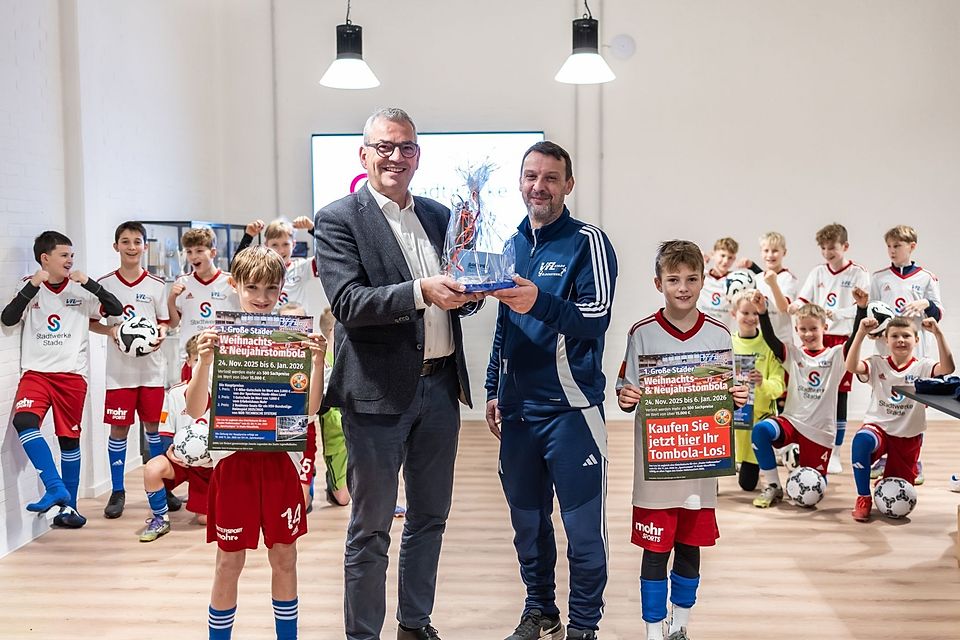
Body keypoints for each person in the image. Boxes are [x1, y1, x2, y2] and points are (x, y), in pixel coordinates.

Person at [314, 107, 480, 640]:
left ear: (417, 156)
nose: (395, 156)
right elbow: (348, 302)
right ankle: (364, 634)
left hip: (441, 388)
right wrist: (420, 291)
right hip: (375, 395)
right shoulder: (339, 219)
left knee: (430, 518)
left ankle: (415, 623)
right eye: (384, 146)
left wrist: (475, 290)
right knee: (371, 528)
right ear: (364, 154)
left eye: (406, 147)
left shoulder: (437, 214)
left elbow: (457, 290)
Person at [484, 141, 618, 640]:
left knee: (584, 534)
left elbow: (595, 317)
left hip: (572, 411)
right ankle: (541, 611)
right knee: (528, 528)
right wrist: (494, 387)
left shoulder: (588, 242)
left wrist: (539, 300)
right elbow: (505, 323)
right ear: (520, 182)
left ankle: (584, 627)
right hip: (519, 414)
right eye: (531, 177)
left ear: (568, 185)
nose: (538, 187)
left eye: (550, 178)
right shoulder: (511, 244)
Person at [186, 245, 326, 640]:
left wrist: (317, 362)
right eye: (252, 288)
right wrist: (204, 363)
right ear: (235, 285)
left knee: (285, 557)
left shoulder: (293, 337)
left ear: (282, 288)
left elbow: (311, 409)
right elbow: (194, 408)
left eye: (270, 288)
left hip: (280, 463)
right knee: (228, 562)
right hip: (234, 464)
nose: (262, 297)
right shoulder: (218, 338)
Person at [616, 240, 748, 640]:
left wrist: (737, 396)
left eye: (691, 279)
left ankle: (681, 625)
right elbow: (626, 389)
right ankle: (653, 630)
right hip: (656, 471)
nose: (683, 287)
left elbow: (725, 399)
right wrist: (625, 397)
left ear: (703, 280)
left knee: (690, 547)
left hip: (699, 469)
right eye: (674, 279)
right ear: (659, 283)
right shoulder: (642, 333)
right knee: (655, 551)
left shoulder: (719, 334)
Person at [1, 231, 123, 528]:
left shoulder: (81, 289)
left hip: (72, 376)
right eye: (64, 255)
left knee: (69, 440)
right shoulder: (28, 285)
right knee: (23, 421)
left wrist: (90, 283)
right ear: (45, 258)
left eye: (72, 255)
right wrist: (33, 285)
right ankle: (55, 486)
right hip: (36, 374)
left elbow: (116, 310)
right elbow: (8, 318)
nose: (70, 260)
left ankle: (70, 508)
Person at [89, 221, 170, 519]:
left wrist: (161, 334)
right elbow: (91, 321)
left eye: (137, 241)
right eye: (125, 241)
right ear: (116, 246)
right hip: (119, 373)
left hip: (151, 371)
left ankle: (163, 488)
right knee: (119, 429)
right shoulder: (105, 285)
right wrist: (110, 331)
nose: (132, 247)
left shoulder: (157, 285)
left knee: (154, 428)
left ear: (145, 246)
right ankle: (117, 490)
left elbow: (164, 321)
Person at [751, 290, 859, 508]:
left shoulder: (836, 355)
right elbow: (771, 340)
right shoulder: (794, 354)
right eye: (802, 329)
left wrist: (862, 310)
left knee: (811, 496)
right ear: (796, 330)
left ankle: (803, 470)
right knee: (761, 430)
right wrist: (762, 312)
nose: (808, 334)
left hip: (819, 432)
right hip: (792, 421)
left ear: (825, 327)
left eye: (813, 329)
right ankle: (773, 485)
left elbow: (855, 337)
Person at [845, 311, 954, 521]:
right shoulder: (877, 363)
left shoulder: (923, 366)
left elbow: (948, 368)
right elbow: (851, 366)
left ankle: (886, 482)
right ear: (886, 340)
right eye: (894, 336)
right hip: (879, 428)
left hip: (908, 435)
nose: (900, 340)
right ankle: (863, 497)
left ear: (916, 340)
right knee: (861, 441)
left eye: (906, 335)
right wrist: (860, 334)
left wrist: (938, 334)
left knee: (899, 491)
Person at [868, 224, 945, 482]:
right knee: (885, 402)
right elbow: (872, 313)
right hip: (886, 353)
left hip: (916, 353)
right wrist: (874, 332)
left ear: (912, 247)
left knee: (914, 406)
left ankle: (915, 459)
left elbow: (939, 313)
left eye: (897, 246)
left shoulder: (926, 278)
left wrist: (927, 303)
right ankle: (883, 456)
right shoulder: (879, 278)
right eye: (889, 246)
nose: (892, 250)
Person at [792, 223, 870, 473]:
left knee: (840, 395)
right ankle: (807, 441)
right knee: (812, 392)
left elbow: (863, 306)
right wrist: (795, 306)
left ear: (845, 246)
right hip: (818, 337)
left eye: (832, 248)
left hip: (843, 340)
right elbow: (803, 299)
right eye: (823, 248)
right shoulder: (818, 272)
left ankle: (835, 451)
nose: (827, 253)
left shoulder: (858, 273)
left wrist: (836, 313)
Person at [138, 335, 213, 541]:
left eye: (208, 359)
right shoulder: (175, 394)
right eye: (197, 359)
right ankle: (160, 519)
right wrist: (170, 452)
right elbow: (165, 433)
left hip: (212, 465)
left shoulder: (224, 393)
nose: (202, 364)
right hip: (182, 461)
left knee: (204, 519)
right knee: (153, 468)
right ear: (188, 361)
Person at [729, 291, 786, 491]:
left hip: (756, 420)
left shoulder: (768, 346)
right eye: (745, 313)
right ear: (733, 313)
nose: (751, 318)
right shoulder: (726, 344)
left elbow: (779, 387)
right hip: (730, 420)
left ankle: (747, 463)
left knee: (747, 485)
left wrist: (762, 382)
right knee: (716, 459)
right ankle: (713, 477)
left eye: (755, 313)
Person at [167, 227, 238, 382]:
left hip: (223, 358)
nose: (193, 256)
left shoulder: (230, 281)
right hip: (191, 358)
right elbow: (173, 323)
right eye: (189, 251)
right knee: (191, 397)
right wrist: (171, 298)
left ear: (213, 252)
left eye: (199, 251)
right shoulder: (183, 282)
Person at [234, 217, 326, 312]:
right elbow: (237, 268)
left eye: (285, 244)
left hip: (295, 320)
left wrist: (312, 228)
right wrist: (248, 236)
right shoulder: (260, 269)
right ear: (266, 245)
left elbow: (328, 252)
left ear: (293, 244)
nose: (281, 250)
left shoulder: (302, 267)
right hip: (267, 319)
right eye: (275, 245)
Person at [697, 237, 739, 329]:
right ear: (713, 254)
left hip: (724, 331)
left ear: (734, 259)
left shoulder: (736, 282)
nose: (726, 261)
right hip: (701, 330)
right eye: (722, 255)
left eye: (730, 257)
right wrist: (698, 261)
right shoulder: (701, 276)